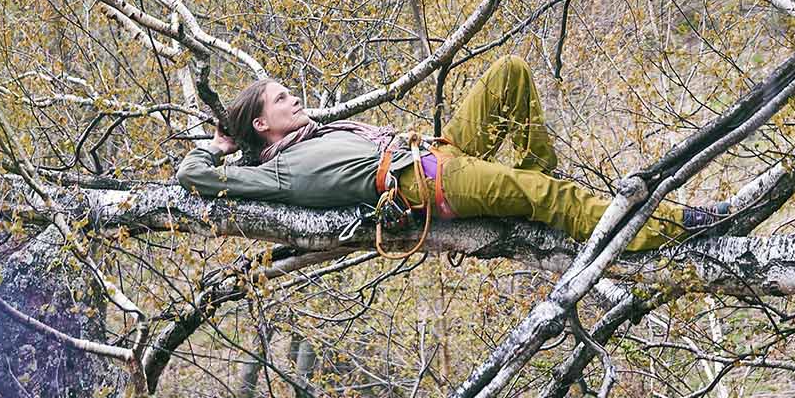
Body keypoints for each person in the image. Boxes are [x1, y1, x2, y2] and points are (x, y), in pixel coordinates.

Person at [174, 54, 720, 250]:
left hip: (437, 153)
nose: (294, 98)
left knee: (508, 74)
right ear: (261, 123)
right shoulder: (278, 174)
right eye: (280, 98)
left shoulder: (314, 135)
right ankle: (675, 225)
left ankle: (528, 187)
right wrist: (217, 145)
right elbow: (192, 176)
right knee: (548, 195)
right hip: (424, 184)